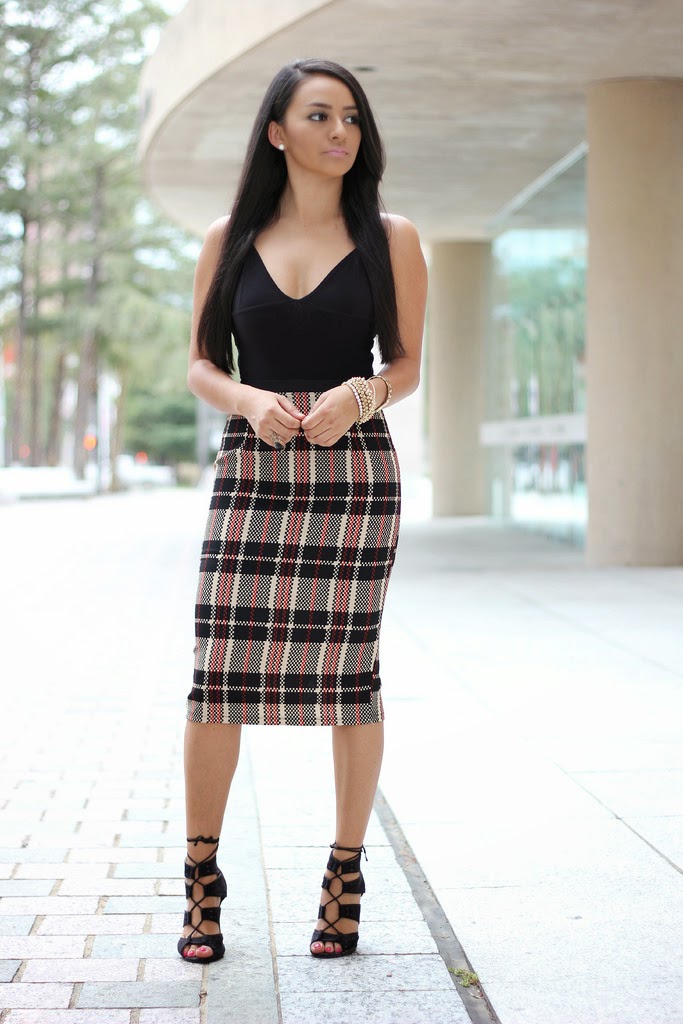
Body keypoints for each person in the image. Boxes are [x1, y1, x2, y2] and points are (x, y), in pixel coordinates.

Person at [178, 57, 427, 963]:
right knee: (219, 673)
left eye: (352, 118)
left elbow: (405, 365)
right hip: (253, 470)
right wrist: (247, 401)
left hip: (355, 477)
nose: (340, 133)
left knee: (350, 679)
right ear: (276, 132)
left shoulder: (390, 236)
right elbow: (201, 362)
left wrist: (356, 398)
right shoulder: (228, 236)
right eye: (319, 116)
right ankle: (202, 879)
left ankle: (344, 873)